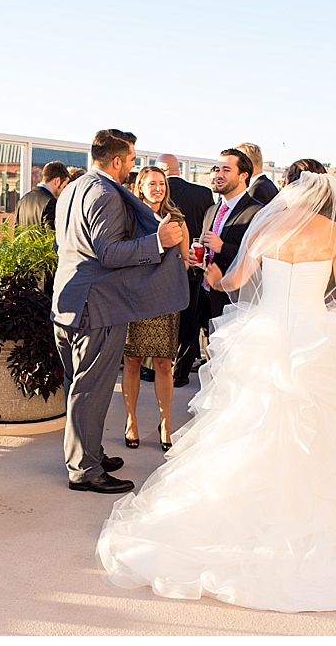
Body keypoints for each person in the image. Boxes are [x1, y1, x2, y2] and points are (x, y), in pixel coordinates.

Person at [98, 172, 336, 613]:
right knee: (324, 435)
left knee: (248, 425)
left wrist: (211, 273)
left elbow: (231, 284)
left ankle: (241, 521)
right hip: (314, 338)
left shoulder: (266, 228)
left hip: (263, 338)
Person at [53, 129, 188, 494]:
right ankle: (83, 469)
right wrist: (157, 241)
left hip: (68, 301)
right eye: (130, 160)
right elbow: (109, 253)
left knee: (78, 384)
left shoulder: (73, 188)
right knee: (90, 388)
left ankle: (89, 452)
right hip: (95, 306)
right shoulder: (105, 193)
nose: (133, 166)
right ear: (116, 161)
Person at [122, 167, 190, 450]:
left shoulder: (177, 220)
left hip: (164, 301)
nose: (158, 188)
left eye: (162, 183)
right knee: (132, 361)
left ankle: (166, 423)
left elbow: (185, 261)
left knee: (164, 363)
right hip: (134, 298)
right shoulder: (129, 217)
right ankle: (131, 420)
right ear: (140, 186)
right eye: (152, 184)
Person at [155, 153, 213, 388]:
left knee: (159, 320)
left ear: (162, 170)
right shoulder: (202, 194)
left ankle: (153, 369)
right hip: (193, 268)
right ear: (178, 168)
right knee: (189, 322)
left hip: (159, 271)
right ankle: (179, 373)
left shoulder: (154, 194)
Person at [202, 149, 263, 320]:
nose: (218, 175)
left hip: (233, 302)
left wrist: (222, 248)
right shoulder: (212, 210)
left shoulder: (257, 212)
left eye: (226, 170)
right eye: (217, 169)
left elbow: (260, 260)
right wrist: (197, 258)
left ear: (243, 176)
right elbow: (205, 246)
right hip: (204, 299)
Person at [14, 160, 70, 230]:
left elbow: (17, 234)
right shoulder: (50, 202)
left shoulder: (22, 201)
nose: (64, 191)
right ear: (57, 181)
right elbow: (51, 236)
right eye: (64, 186)